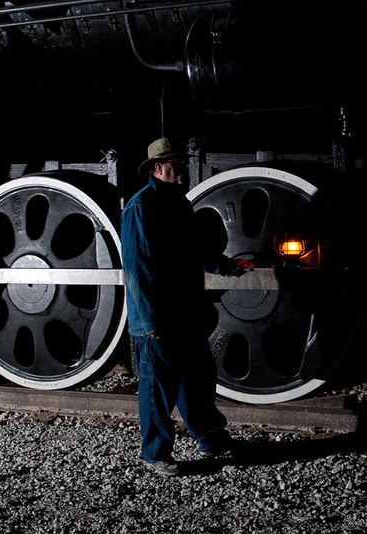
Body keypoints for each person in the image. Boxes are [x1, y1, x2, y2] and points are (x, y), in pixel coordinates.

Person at [120, 137, 232, 477]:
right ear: (158, 168)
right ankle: (155, 453)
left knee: (197, 378)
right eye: (176, 163)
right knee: (157, 388)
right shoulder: (140, 207)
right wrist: (150, 320)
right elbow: (137, 269)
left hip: (185, 312)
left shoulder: (178, 204)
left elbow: (192, 252)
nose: (183, 168)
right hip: (158, 319)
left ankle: (210, 437)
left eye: (182, 162)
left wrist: (225, 267)